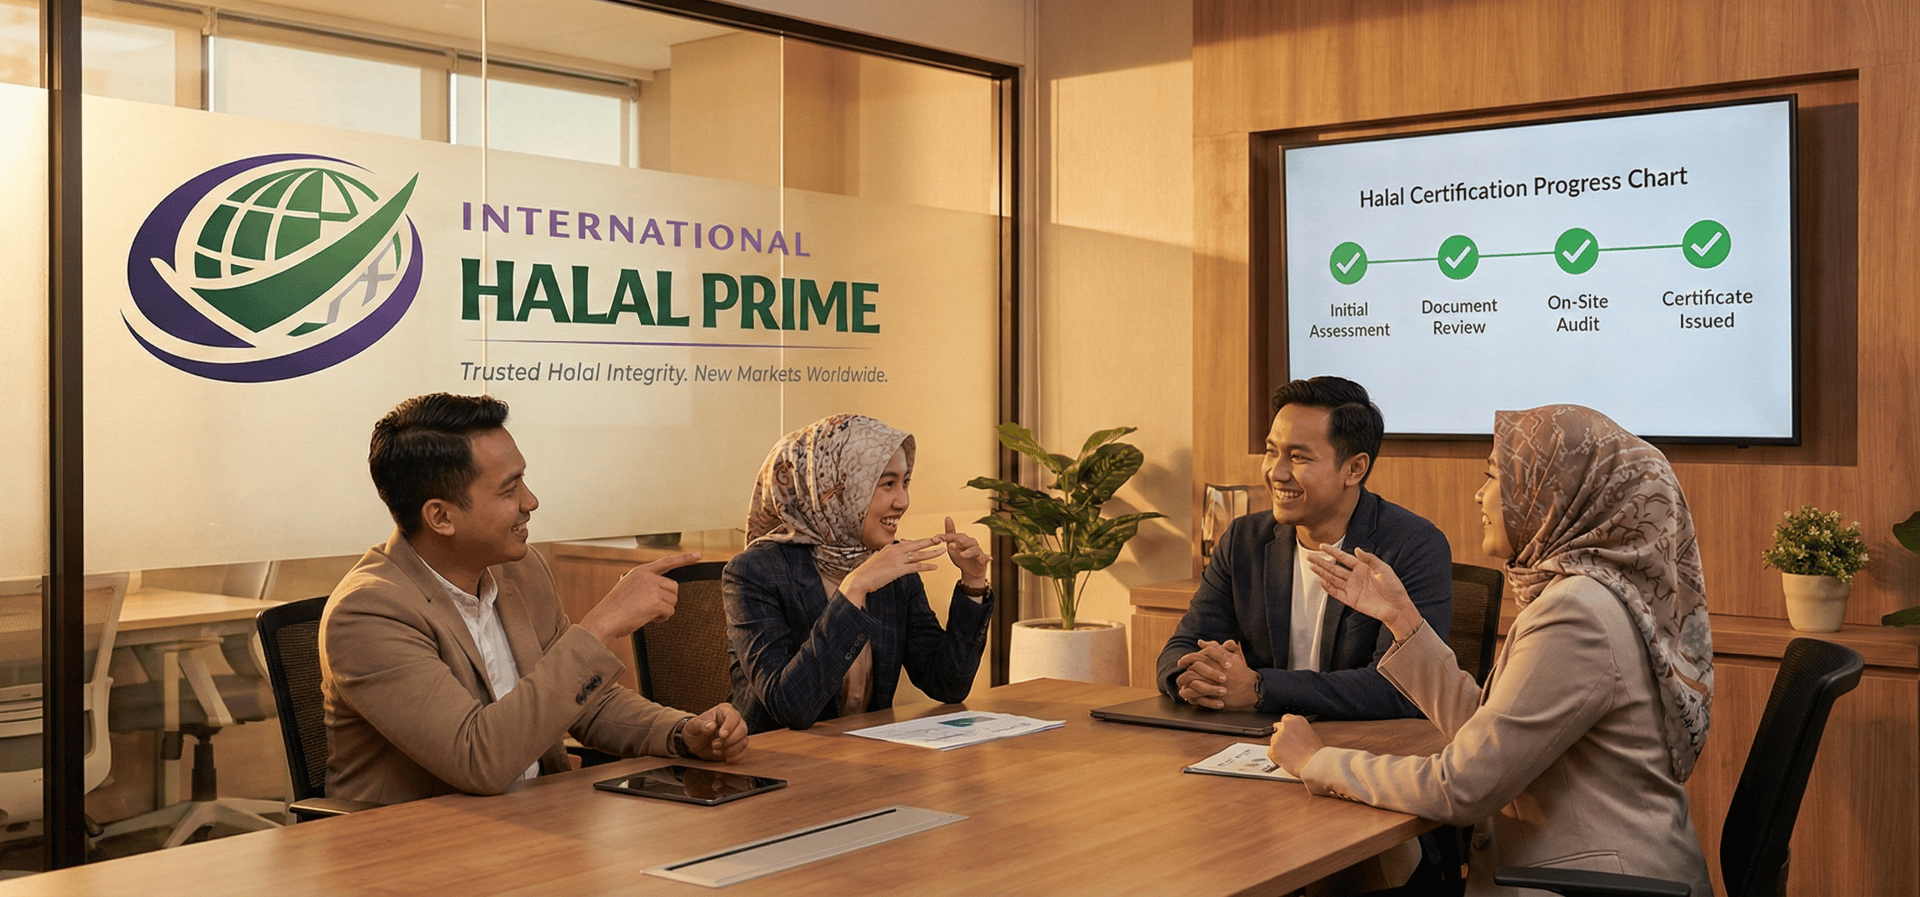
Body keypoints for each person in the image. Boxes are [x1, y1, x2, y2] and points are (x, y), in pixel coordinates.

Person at [1269, 404, 1714, 895]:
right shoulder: (1585, 596)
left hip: (1595, 885)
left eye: (1494, 477)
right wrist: (1401, 618)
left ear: (1549, 494)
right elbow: (1489, 733)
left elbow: (1459, 787)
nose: (1479, 494)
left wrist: (1318, 761)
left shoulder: (1576, 615)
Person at [321, 393, 749, 805]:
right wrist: (601, 626)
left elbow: (582, 702)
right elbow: (479, 760)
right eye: (509, 490)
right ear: (441, 517)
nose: (531, 501)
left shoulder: (518, 571)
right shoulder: (367, 614)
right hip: (412, 851)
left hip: (534, 820)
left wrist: (681, 732)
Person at [1157, 376, 1452, 719]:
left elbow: (1400, 687)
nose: (1276, 472)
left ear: (1354, 468)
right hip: (1256, 742)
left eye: (1298, 457)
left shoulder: (1412, 546)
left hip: (1363, 750)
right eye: (1271, 452)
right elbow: (1181, 648)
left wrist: (1259, 689)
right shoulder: (1244, 539)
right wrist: (1198, 679)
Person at [724, 414, 993, 732]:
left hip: (868, 758)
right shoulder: (754, 572)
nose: (903, 502)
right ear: (833, 490)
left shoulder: (894, 567)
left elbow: (946, 685)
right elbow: (790, 707)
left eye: (905, 483)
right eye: (887, 484)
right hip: (777, 765)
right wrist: (855, 587)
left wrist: (973, 584)